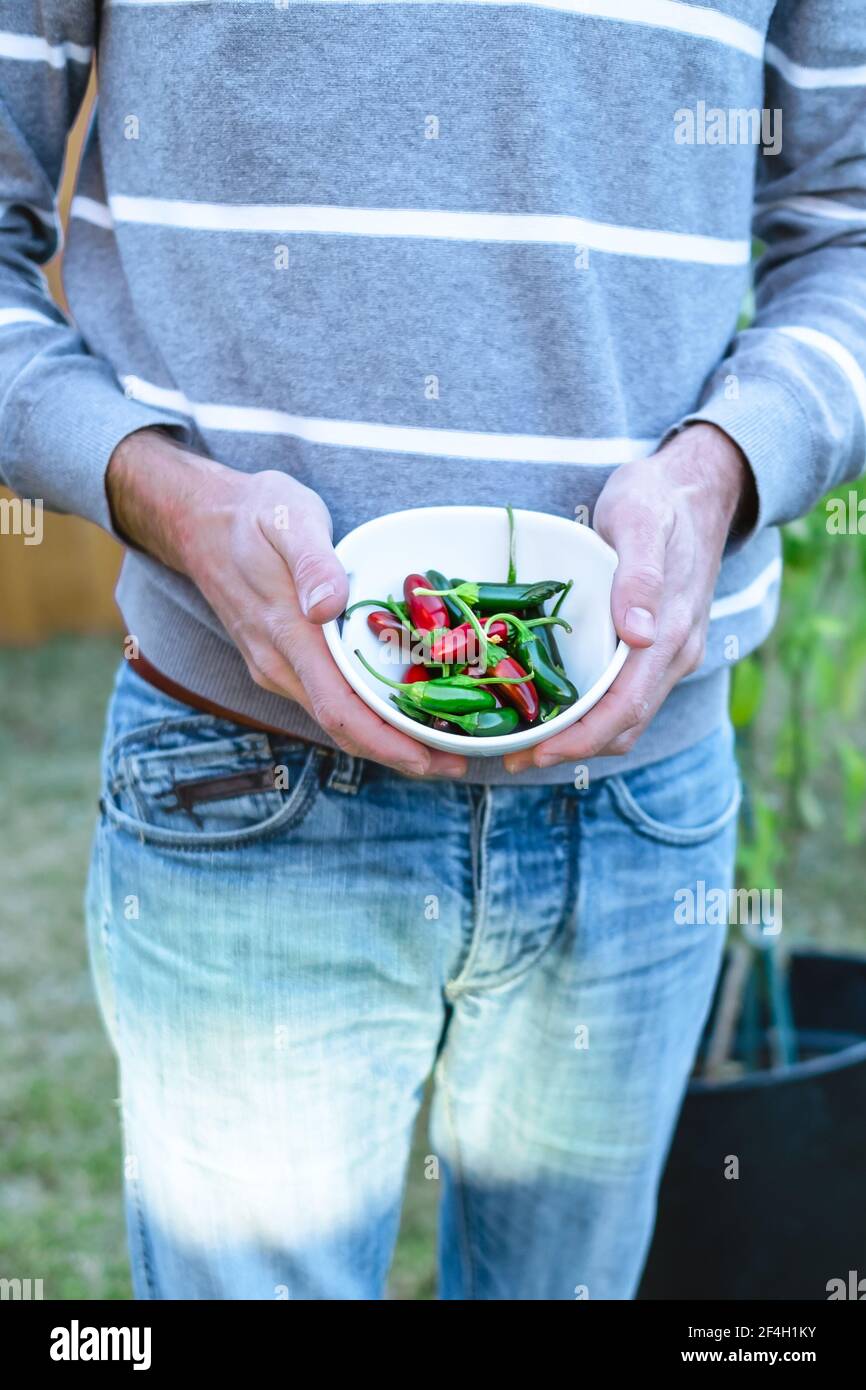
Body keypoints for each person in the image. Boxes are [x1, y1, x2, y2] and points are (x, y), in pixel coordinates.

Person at [1, 1, 863, 1300]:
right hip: (244, 778)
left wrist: (724, 470)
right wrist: (160, 493)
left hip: (639, 807)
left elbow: (846, 227)